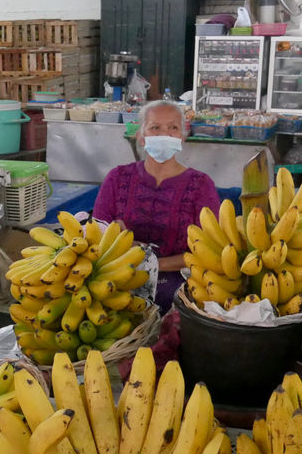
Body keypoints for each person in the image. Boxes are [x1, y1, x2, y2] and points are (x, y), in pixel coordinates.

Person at [93, 100, 221, 311]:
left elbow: (209, 250)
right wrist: (118, 242)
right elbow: (98, 235)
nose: (165, 135)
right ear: (141, 137)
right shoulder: (117, 178)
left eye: (173, 128)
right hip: (118, 282)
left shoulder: (201, 185)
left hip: (180, 290)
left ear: (182, 136)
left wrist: (152, 265)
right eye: (155, 128)